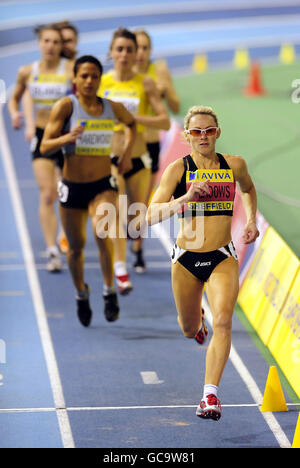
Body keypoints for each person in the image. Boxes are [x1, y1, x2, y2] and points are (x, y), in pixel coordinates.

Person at [147, 105, 259, 420]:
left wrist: (250, 220)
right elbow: (151, 214)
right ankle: (197, 318)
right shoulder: (177, 170)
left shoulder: (234, 165)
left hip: (222, 256)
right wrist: (185, 199)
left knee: (224, 322)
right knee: (188, 329)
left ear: (217, 132)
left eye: (209, 130)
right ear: (187, 136)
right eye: (196, 131)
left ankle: (209, 396)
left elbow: (249, 189)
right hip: (185, 258)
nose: (203, 136)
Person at [40, 55, 136, 327]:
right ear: (75, 79)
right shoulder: (65, 107)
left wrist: (126, 154)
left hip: (102, 185)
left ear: (100, 79)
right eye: (84, 76)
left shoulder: (111, 107)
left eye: (94, 76)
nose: (90, 81)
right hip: (72, 188)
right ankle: (81, 293)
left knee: (101, 233)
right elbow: (45, 146)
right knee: (75, 249)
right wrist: (66, 138)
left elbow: (131, 125)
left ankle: (108, 292)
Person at [98, 27, 170, 282]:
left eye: (130, 49)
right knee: (116, 211)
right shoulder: (102, 82)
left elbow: (165, 122)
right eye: (120, 49)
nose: (126, 54)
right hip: (110, 158)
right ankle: (120, 268)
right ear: (111, 52)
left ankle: (135, 247)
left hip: (139, 159)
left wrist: (132, 118)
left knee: (135, 220)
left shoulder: (146, 83)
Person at [8, 24, 74, 272]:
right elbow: (14, 97)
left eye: (55, 42)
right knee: (47, 194)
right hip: (41, 135)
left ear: (61, 46)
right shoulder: (27, 72)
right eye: (46, 41)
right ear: (39, 43)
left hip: (67, 136)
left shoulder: (70, 71)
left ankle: (65, 237)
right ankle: (52, 250)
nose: (50, 46)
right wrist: (16, 114)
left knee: (66, 194)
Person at [134, 29, 180, 201]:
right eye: (137, 47)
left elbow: (175, 107)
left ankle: (135, 227)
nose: (141, 52)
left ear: (150, 50)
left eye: (145, 48)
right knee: (120, 201)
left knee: (141, 204)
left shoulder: (159, 72)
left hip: (150, 143)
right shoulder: (123, 74)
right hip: (125, 144)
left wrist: (165, 89)